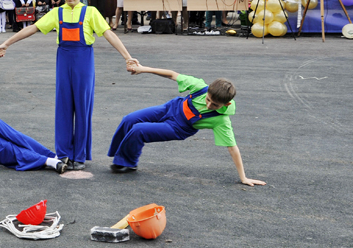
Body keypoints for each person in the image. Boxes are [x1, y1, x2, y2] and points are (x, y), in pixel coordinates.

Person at [0, 0, 137, 171]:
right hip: (63, 61)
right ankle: (63, 154)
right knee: (63, 108)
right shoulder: (57, 13)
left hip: (83, 62)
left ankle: (79, 155)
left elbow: (109, 34)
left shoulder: (91, 12)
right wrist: (6, 43)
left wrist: (127, 57)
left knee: (82, 107)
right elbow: (33, 28)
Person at [107, 63, 266, 187]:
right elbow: (171, 74)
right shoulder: (200, 86)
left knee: (138, 130)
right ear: (208, 90)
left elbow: (232, 148)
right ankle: (119, 152)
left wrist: (243, 177)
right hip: (170, 108)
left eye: (215, 105)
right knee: (129, 119)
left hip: (178, 128)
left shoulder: (221, 120)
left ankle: (127, 163)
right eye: (208, 100)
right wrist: (143, 69)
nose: (209, 105)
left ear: (227, 103)